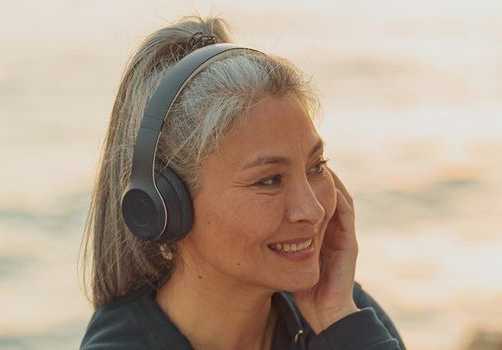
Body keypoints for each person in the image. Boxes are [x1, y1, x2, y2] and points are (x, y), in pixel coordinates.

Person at [78, 15, 404, 350]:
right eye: (270, 180)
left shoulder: (341, 314)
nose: (313, 210)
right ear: (166, 204)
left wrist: (337, 314)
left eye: (316, 166)